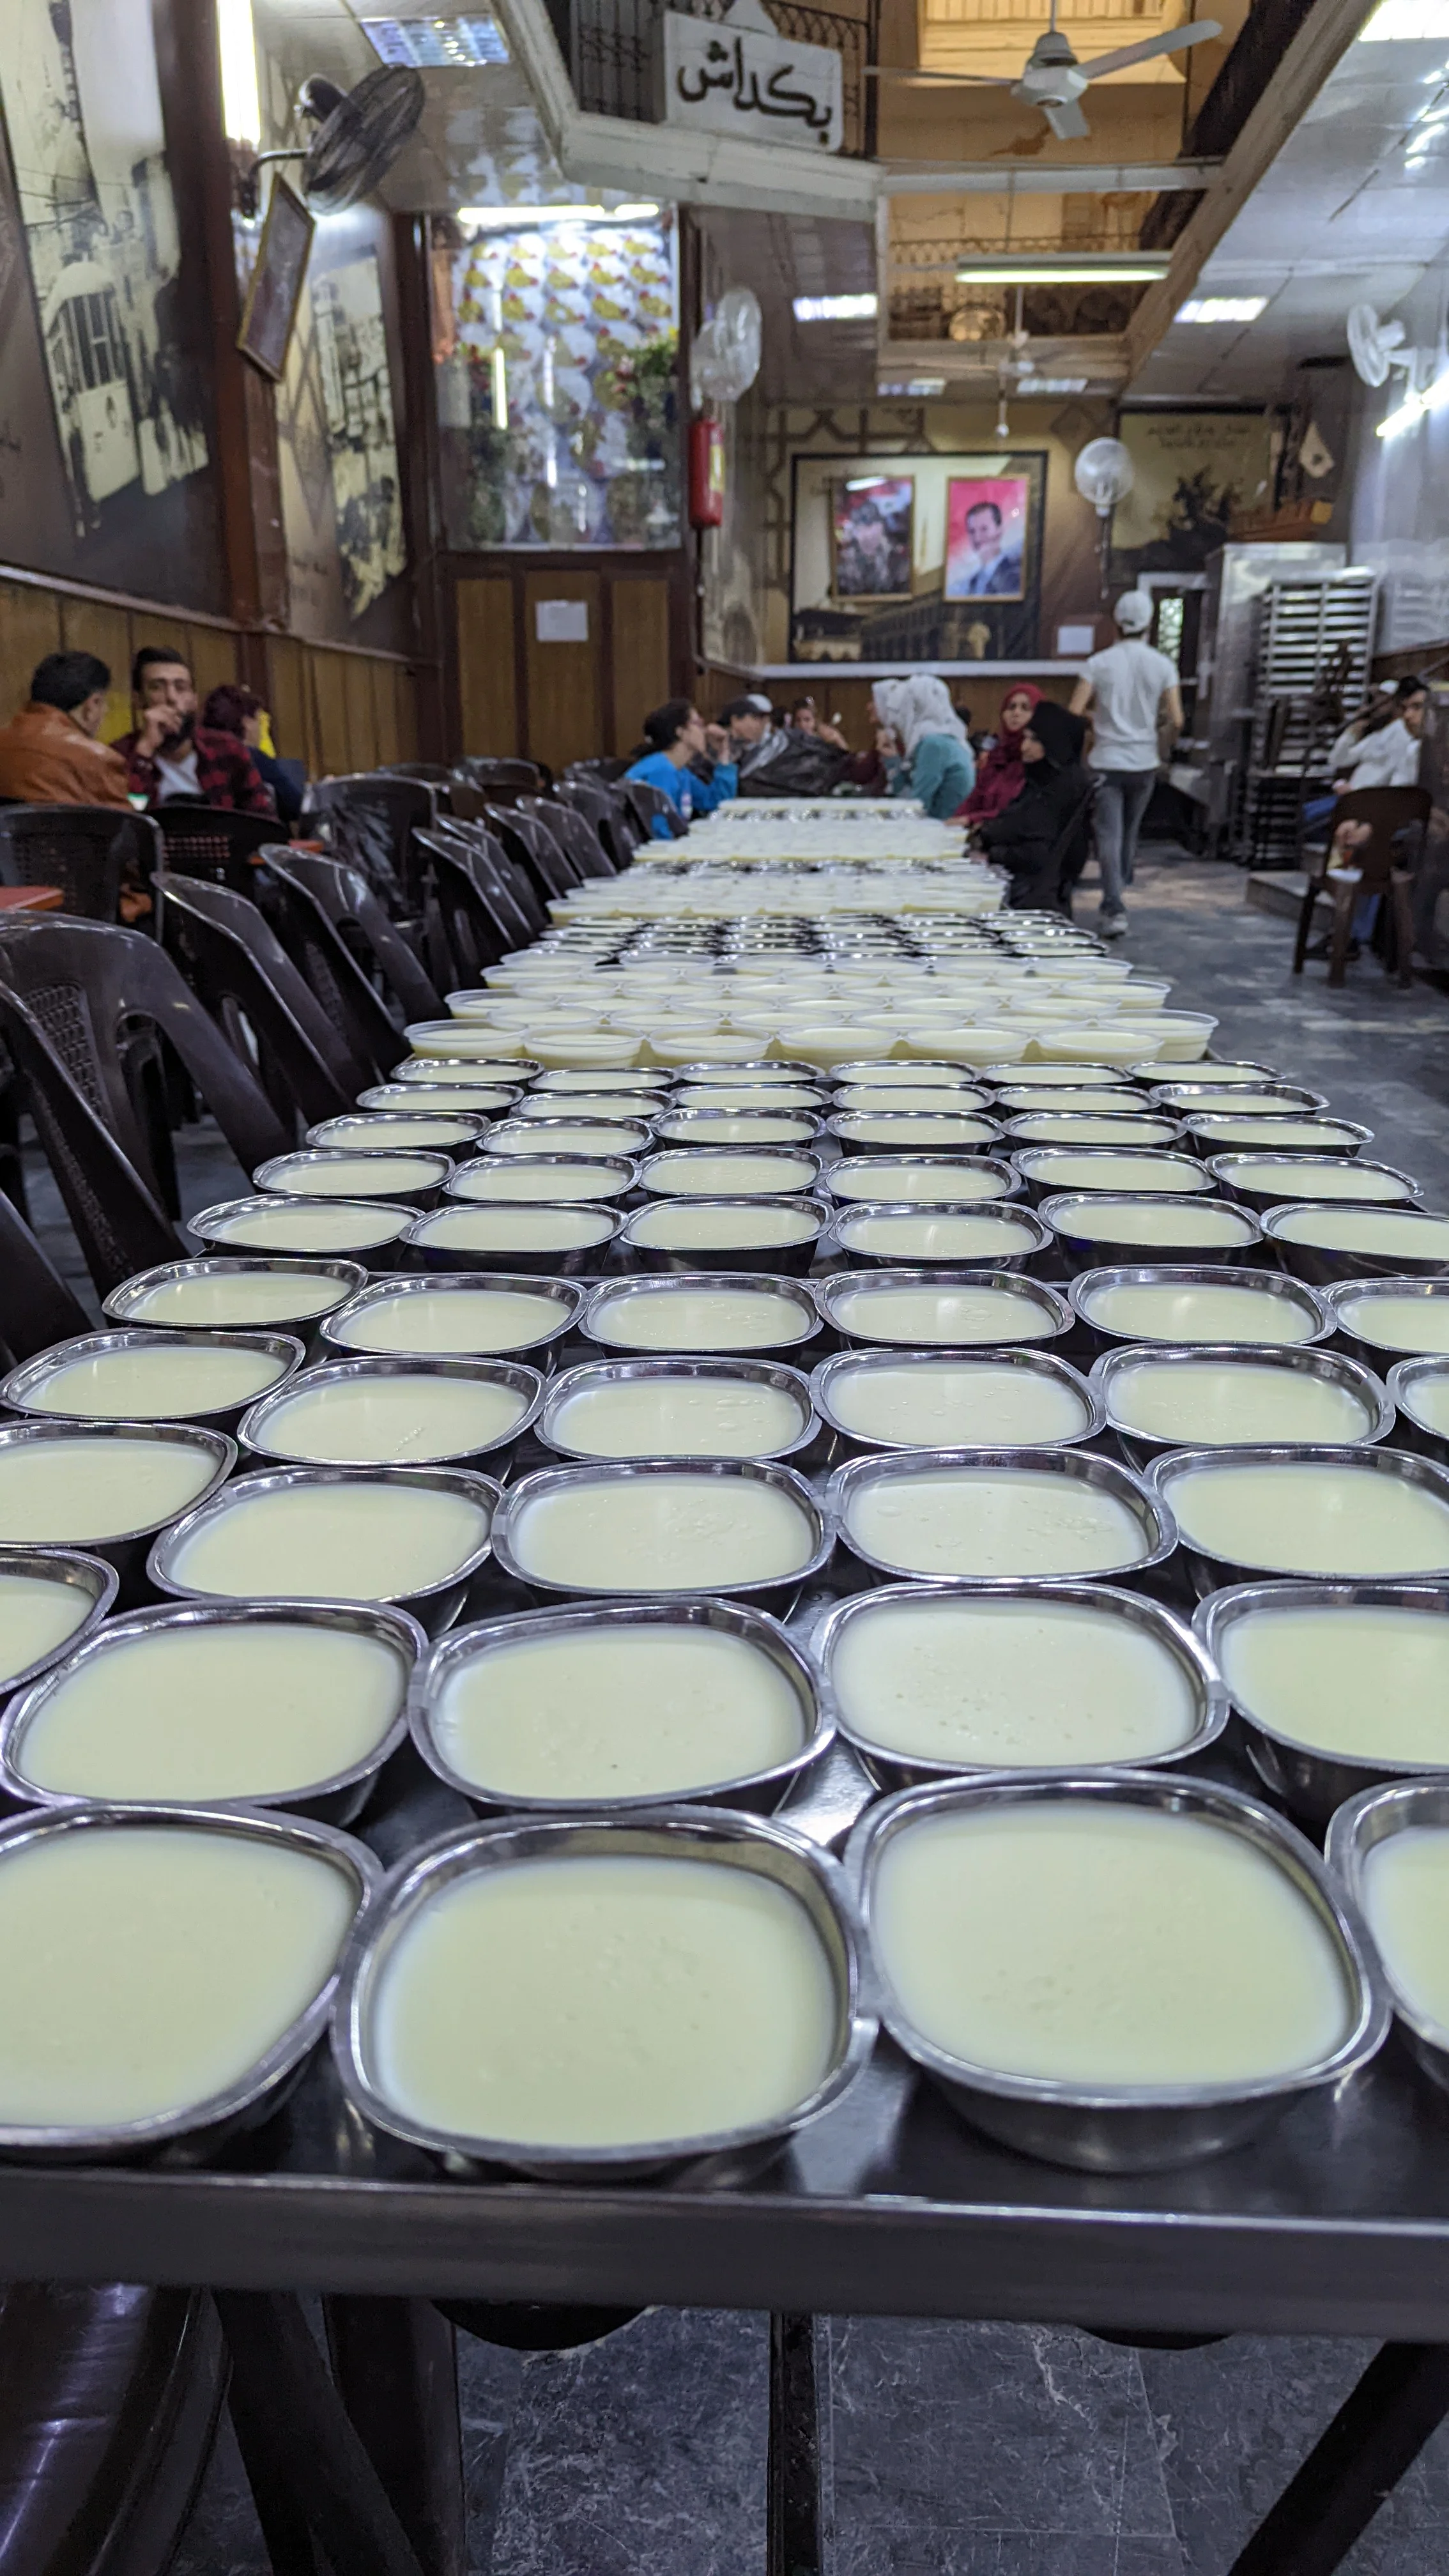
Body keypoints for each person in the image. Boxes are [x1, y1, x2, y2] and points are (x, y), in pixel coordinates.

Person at [1070, 594, 1182, 937]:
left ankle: (1114, 905)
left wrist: (1098, 721)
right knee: (1129, 835)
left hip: (1107, 760)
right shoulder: (1163, 665)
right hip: (1144, 762)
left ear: (1116, 623)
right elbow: (1176, 719)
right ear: (1150, 624)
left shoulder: (1098, 663)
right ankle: (1117, 890)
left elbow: (1073, 711)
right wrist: (1160, 743)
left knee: (1108, 835)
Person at [116, 647, 273, 814]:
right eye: (157, 687)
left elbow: (264, 819)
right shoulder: (119, 756)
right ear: (138, 699)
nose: (171, 698)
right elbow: (130, 817)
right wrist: (145, 751)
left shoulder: (227, 749)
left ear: (194, 700)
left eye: (181, 687)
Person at [977, 702, 1091, 910]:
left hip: (1033, 900)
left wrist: (991, 854)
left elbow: (1037, 853)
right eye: (1025, 738)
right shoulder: (1042, 780)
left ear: (1053, 743)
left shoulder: (1060, 789)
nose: (1024, 747)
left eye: (1034, 740)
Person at [0, 652, 130, 808]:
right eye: (104, 703)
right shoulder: (96, 759)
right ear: (92, 704)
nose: (106, 710)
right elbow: (128, 828)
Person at [625, 700, 737, 835]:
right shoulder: (660, 771)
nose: (705, 731)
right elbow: (659, 831)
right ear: (680, 732)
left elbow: (715, 802)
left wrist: (723, 756)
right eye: (699, 724)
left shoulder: (680, 771)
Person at [872, 676, 974, 820]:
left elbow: (916, 807)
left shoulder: (934, 745)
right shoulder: (944, 738)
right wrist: (893, 760)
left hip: (942, 831)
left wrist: (894, 766)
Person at [202, 684, 306, 825]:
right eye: (259, 720)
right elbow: (294, 806)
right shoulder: (253, 758)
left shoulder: (200, 756)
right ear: (247, 722)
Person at [957, 682, 1042, 824]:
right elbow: (974, 799)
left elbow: (1018, 812)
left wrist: (970, 820)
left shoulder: (1038, 760)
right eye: (1011, 707)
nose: (1016, 713)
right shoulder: (997, 756)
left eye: (1025, 708)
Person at [958, 499, 1023, 598]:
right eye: (972, 531)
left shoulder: (1015, 573)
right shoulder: (973, 582)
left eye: (984, 529)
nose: (977, 538)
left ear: (999, 530)